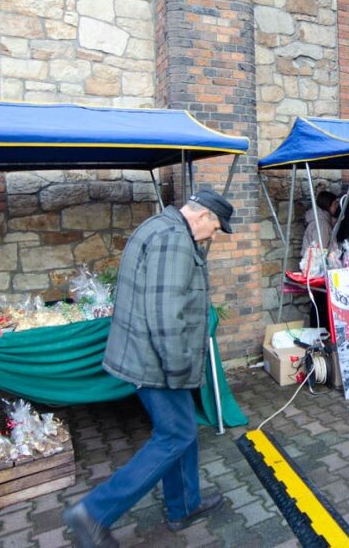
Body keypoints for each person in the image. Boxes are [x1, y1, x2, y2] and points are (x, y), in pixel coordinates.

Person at [63, 188, 234, 548]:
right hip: (158, 362)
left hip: (150, 356)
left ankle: (184, 505)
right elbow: (165, 314)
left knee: (182, 430)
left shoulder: (161, 225)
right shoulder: (174, 240)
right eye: (216, 227)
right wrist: (177, 373)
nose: (214, 235)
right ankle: (94, 513)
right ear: (201, 216)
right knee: (174, 436)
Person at [301, 190, 338, 258]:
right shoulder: (322, 224)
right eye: (335, 203)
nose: (337, 206)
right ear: (328, 204)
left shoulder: (322, 219)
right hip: (316, 265)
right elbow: (320, 250)